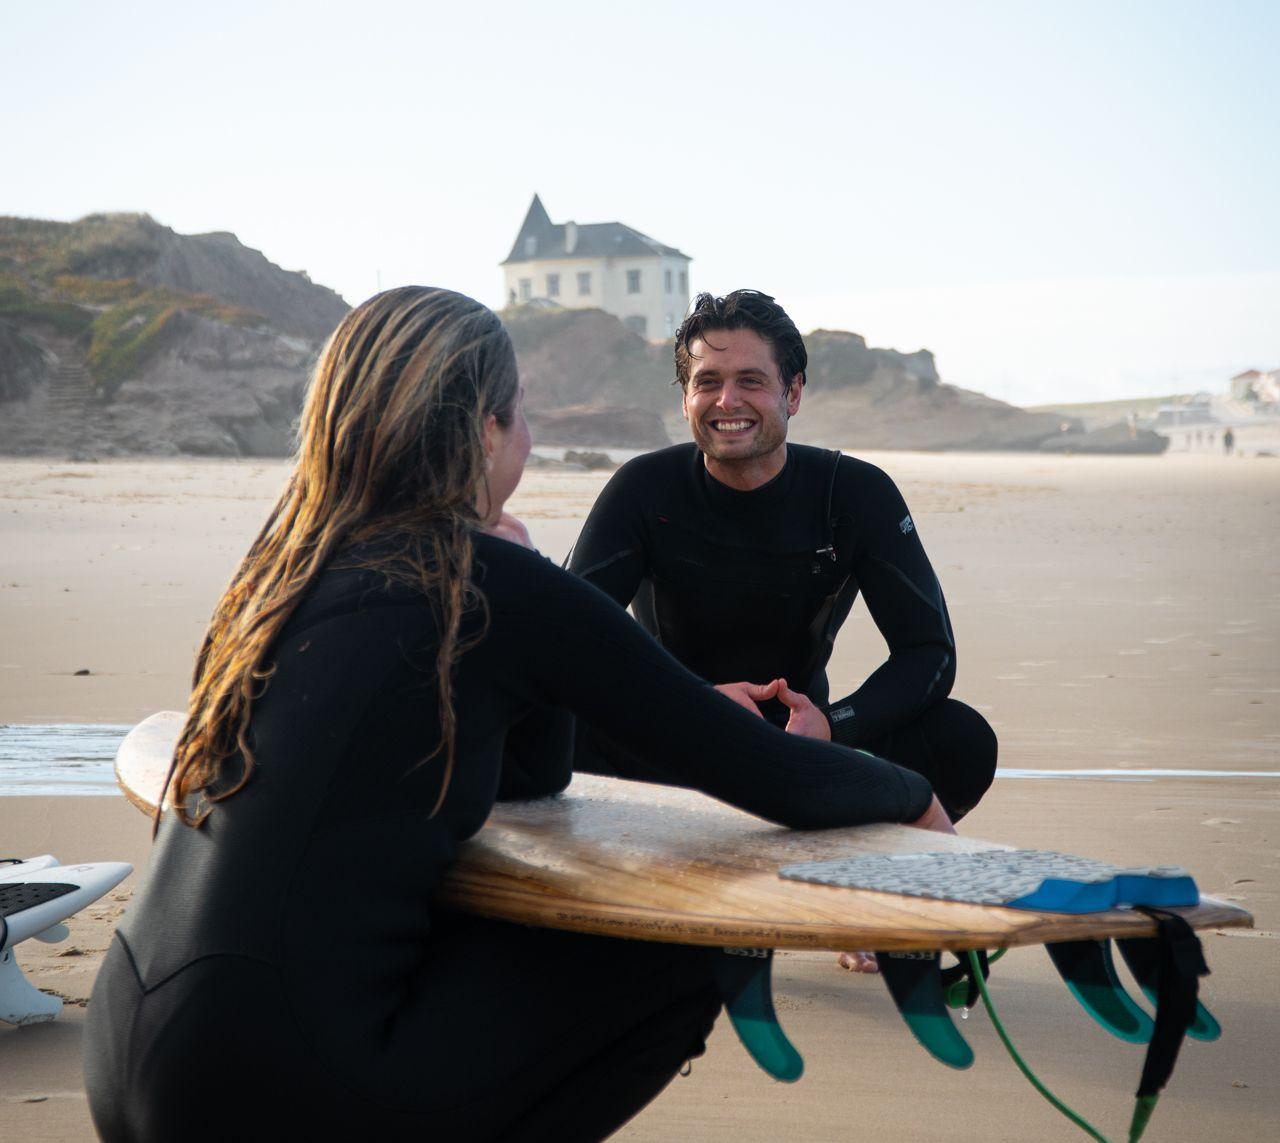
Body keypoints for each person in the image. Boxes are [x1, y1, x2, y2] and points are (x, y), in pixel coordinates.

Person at [84, 287, 952, 1143]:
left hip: (127, 1042)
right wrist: (910, 793)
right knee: (687, 944)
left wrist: (523, 565)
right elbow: (770, 774)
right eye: (522, 414)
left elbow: (533, 777)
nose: (528, 439)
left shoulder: (281, 566)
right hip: (277, 1080)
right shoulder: (487, 584)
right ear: (484, 430)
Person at [570, 289, 996, 826]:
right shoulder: (644, 489)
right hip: (673, 743)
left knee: (961, 738)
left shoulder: (854, 493)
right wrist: (695, 704)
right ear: (685, 399)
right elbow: (571, 644)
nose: (728, 401)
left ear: (792, 393)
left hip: (804, 747)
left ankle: (873, 847)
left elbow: (928, 654)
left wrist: (831, 726)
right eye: (708, 383)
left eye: (751, 381)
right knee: (552, 724)